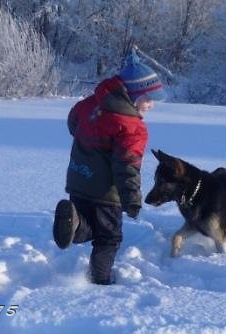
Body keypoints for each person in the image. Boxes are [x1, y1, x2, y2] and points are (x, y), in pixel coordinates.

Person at [53, 49, 166, 285]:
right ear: (133, 96)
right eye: (148, 99)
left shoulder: (91, 104)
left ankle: (74, 221)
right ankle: (100, 281)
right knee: (108, 237)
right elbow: (127, 166)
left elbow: (73, 121)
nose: (152, 104)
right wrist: (132, 199)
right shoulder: (132, 127)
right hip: (106, 192)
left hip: (78, 179)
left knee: (89, 224)